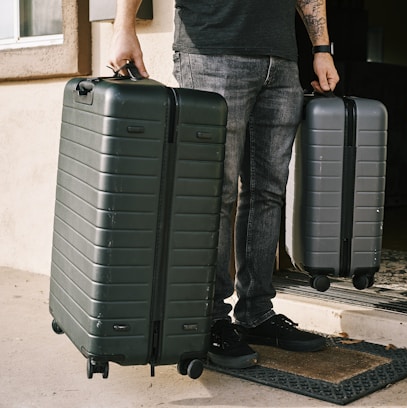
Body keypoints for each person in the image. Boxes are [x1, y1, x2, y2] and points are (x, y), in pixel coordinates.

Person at [109, 0, 340, 369]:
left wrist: (321, 49)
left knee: (267, 193)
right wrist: (123, 26)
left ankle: (257, 313)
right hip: (211, 54)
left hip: (281, 62)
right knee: (215, 195)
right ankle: (209, 320)